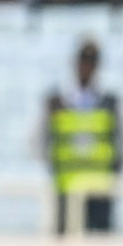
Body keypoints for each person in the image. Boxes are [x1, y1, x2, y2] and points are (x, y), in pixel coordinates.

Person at [43, 39, 121, 235]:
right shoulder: (56, 101)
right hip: (65, 190)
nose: (86, 66)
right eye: (83, 60)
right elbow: (38, 141)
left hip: (100, 193)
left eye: (92, 61)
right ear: (74, 62)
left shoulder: (111, 102)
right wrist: (53, 164)